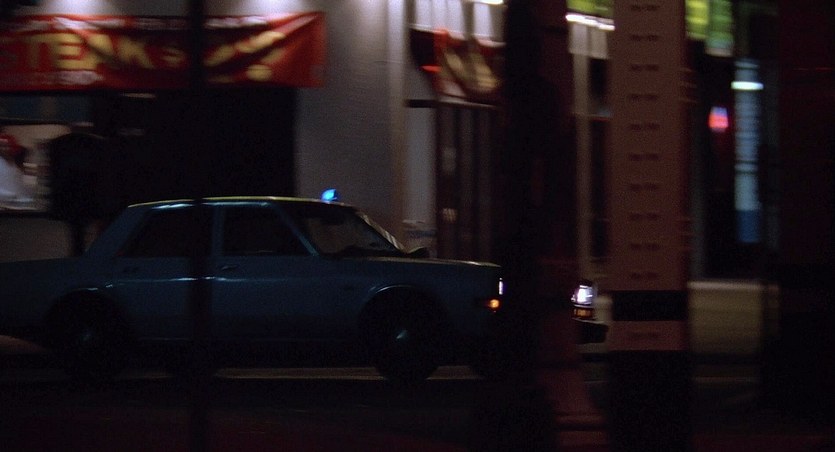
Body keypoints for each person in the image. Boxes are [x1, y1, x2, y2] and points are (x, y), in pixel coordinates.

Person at [0, 133, 35, 209]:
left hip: (15, 204)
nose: (5, 149)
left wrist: (34, 192)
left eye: (8, 146)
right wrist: (11, 196)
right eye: (2, 146)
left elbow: (21, 187)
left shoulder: (14, 166)